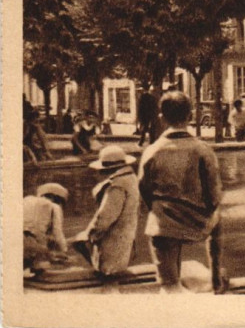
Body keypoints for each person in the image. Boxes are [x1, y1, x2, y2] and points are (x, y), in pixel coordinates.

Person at [138, 91, 225, 294]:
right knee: (218, 219)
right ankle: (216, 279)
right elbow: (214, 194)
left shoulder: (151, 151)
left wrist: (160, 208)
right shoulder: (203, 150)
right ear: (190, 117)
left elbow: (144, 189)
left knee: (168, 285)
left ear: (162, 117)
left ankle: (169, 281)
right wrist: (205, 210)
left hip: (162, 223)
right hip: (196, 222)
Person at [71, 146, 139, 277]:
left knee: (79, 241)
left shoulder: (117, 186)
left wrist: (90, 235)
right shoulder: (131, 178)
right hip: (126, 235)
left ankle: (103, 273)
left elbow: (104, 218)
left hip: (113, 242)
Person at [23, 183, 69, 272]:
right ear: (56, 197)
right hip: (34, 244)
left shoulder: (26, 199)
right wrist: (64, 250)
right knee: (42, 266)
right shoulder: (54, 207)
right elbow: (57, 232)